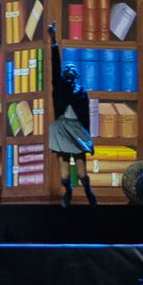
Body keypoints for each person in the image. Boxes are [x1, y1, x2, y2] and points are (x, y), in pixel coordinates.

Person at [47, 22, 96, 208]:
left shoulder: (82, 92)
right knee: (65, 174)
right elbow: (55, 64)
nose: (69, 69)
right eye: (66, 69)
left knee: (82, 173)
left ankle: (88, 191)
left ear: (76, 75)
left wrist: (88, 135)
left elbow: (87, 116)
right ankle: (67, 191)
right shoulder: (59, 87)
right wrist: (54, 41)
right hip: (61, 127)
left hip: (77, 128)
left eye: (72, 69)